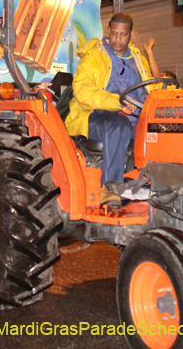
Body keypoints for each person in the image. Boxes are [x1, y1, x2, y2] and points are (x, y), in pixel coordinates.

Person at [65, 12, 153, 210]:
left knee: (160, 129)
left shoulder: (138, 59)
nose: (117, 39)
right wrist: (117, 103)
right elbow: (83, 91)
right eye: (114, 34)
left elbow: (150, 90)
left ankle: (155, 183)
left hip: (133, 119)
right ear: (109, 31)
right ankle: (111, 186)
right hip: (96, 116)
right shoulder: (94, 57)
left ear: (130, 34)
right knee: (118, 124)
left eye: (123, 35)